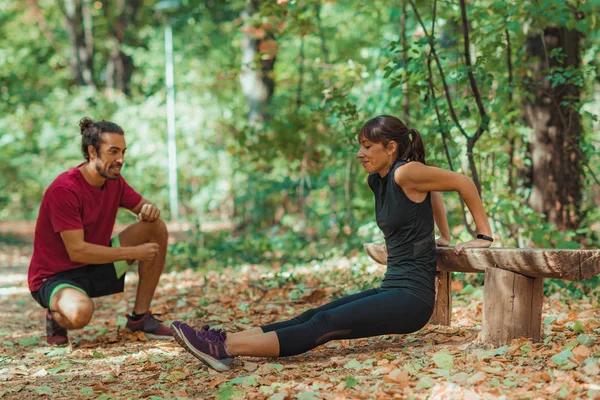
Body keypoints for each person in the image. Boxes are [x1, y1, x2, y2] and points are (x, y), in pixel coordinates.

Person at [170, 115, 493, 372]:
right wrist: (445, 235)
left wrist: (482, 236)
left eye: (367, 146)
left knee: (325, 325)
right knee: (311, 314)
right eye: (360, 146)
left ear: (390, 147)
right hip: (393, 288)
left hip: (413, 299)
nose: (360, 153)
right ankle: (223, 339)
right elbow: (434, 189)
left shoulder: (405, 173)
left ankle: (224, 349)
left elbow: (460, 182)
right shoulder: (378, 180)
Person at [28, 118, 172, 346]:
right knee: (80, 313)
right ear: (92, 152)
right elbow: (77, 251)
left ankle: (140, 319)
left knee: (156, 227)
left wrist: (149, 209)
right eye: (113, 151)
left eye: (123, 152)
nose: (121, 159)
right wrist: (134, 252)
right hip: (55, 278)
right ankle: (56, 316)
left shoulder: (114, 180)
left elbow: (145, 208)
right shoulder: (65, 189)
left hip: (94, 268)